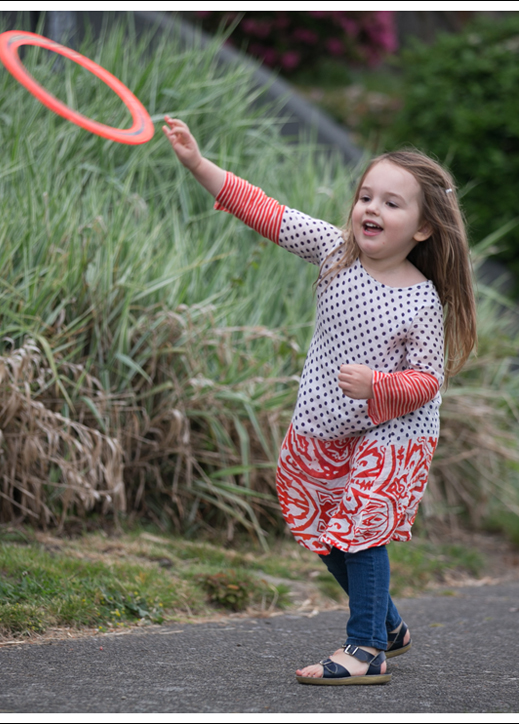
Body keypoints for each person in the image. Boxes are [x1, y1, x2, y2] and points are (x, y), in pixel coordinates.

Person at [163, 115, 477, 685]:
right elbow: (267, 212)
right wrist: (197, 163)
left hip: (395, 430)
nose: (371, 210)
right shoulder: (336, 252)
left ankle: (366, 651)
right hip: (324, 422)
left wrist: (380, 387)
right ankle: (387, 625)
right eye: (365, 197)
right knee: (319, 522)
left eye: (392, 204)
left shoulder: (421, 302)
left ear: (425, 229)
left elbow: (428, 381)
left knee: (361, 524)